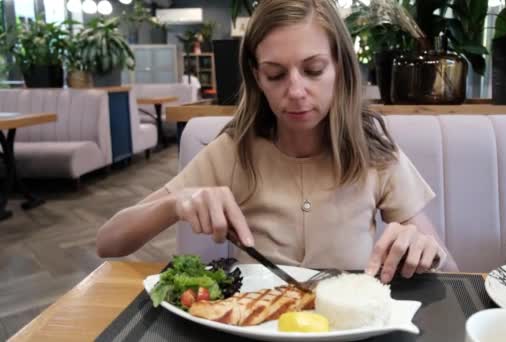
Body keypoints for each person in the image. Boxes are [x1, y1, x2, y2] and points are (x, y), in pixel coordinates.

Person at [96, 0, 458, 283]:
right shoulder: (233, 151)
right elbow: (108, 241)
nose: (296, 91)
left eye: (314, 70)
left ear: (340, 68)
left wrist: (426, 253)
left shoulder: (373, 149)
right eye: (275, 74)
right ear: (257, 77)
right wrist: (175, 203)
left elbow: (451, 270)